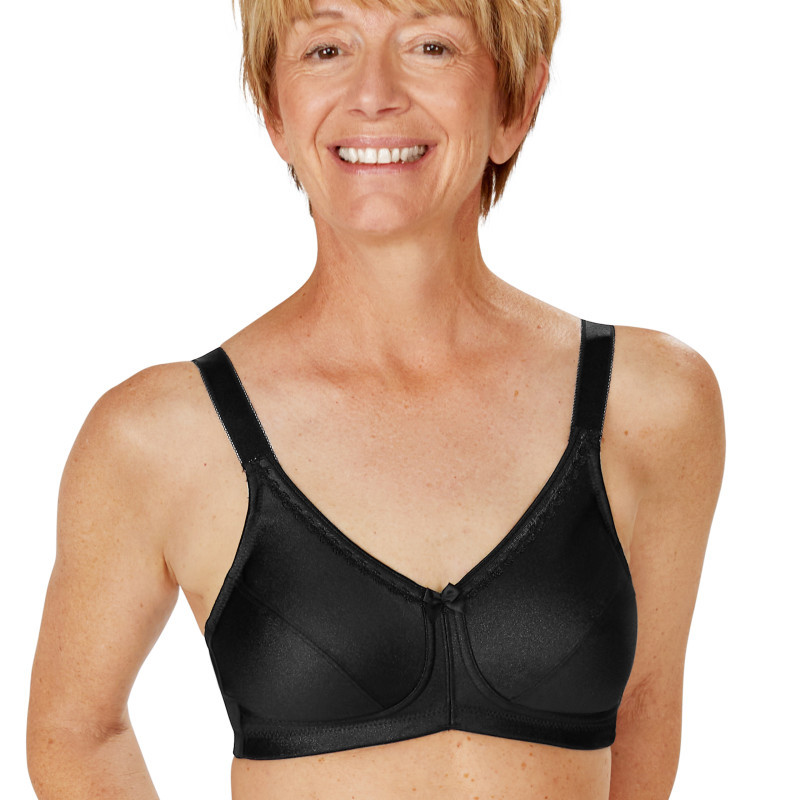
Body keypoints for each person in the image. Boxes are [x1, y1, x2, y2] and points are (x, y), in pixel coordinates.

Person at [26, 0, 725, 797]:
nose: (374, 94)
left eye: (431, 46)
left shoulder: (649, 406)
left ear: (515, 105)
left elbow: (646, 707)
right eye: (327, 50)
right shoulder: (160, 437)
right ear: (275, 112)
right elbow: (75, 732)